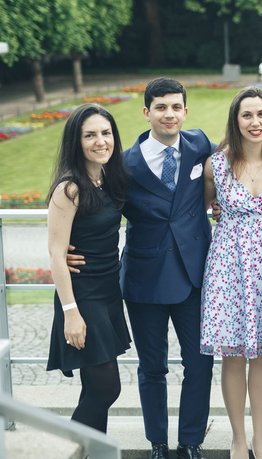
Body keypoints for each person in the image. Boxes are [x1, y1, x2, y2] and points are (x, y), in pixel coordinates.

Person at [66, 78, 262, 459]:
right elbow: (97, 206)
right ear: (147, 112)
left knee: (200, 365)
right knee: (152, 368)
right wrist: (68, 249)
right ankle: (157, 442)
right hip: (145, 279)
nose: (169, 114)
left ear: (185, 112)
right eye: (161, 107)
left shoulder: (200, 145)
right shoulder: (124, 163)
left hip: (196, 275)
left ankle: (190, 441)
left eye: (176, 107)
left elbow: (245, 141)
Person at [201, 87, 262, 459]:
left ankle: (260, 438)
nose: (255, 122)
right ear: (235, 120)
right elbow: (203, 207)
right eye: (247, 115)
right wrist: (214, 212)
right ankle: (238, 438)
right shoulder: (216, 165)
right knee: (233, 356)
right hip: (229, 267)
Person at [46, 103, 131, 433]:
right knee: (107, 389)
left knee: (94, 389)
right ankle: (66, 451)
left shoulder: (108, 179)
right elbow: (56, 254)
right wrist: (71, 313)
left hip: (108, 292)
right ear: (76, 141)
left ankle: (92, 452)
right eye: (90, 135)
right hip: (83, 298)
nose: (101, 141)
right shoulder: (69, 189)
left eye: (106, 133)